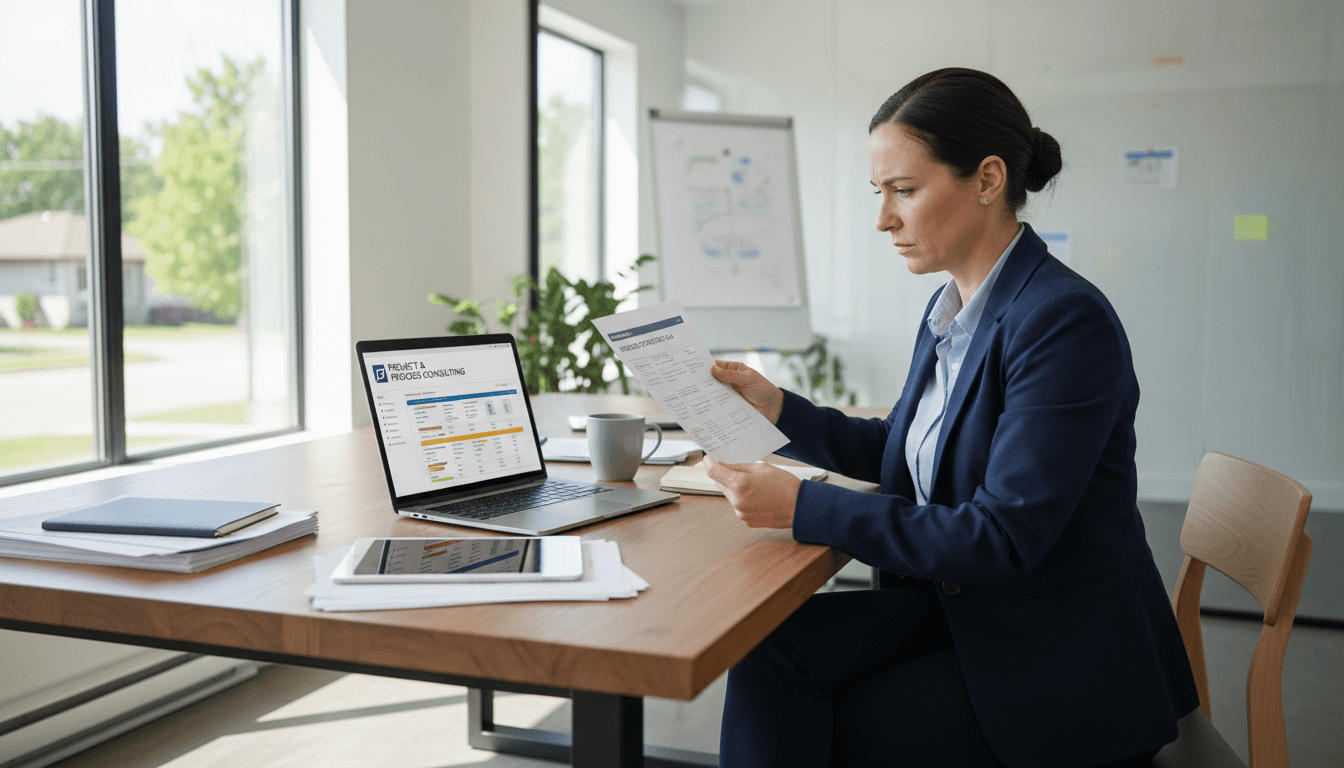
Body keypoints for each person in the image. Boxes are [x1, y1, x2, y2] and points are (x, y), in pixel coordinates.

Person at [703, 67, 1199, 768]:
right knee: (771, 652)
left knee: (834, 728)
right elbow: (902, 453)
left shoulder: (1060, 320)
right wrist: (780, 409)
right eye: (880, 194)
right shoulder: (953, 311)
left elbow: (1001, 537)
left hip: (1059, 654)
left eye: (904, 191)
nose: (884, 218)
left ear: (988, 180)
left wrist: (803, 507)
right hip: (973, 608)